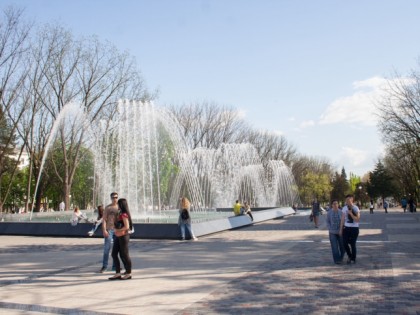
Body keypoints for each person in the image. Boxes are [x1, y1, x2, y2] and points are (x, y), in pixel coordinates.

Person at [109, 198, 133, 280]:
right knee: (114, 253)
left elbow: (127, 227)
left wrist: (117, 229)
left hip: (123, 236)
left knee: (125, 254)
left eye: (118, 204)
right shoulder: (120, 213)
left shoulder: (124, 214)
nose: (117, 205)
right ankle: (118, 273)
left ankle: (129, 273)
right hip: (119, 236)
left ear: (121, 205)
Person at [100, 192, 119, 273]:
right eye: (113, 197)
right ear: (111, 198)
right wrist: (104, 230)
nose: (115, 199)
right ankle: (104, 266)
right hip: (109, 230)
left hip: (117, 230)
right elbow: (104, 219)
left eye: (116, 197)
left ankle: (115, 266)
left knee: (116, 250)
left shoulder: (119, 207)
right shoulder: (108, 208)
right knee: (106, 249)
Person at [340, 194, 360, 264]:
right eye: (346, 200)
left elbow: (357, 220)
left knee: (352, 244)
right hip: (346, 228)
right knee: (344, 243)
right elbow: (342, 219)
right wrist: (341, 229)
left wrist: (351, 214)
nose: (347, 201)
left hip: (354, 228)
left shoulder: (356, 208)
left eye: (349, 200)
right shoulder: (344, 208)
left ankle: (353, 258)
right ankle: (349, 255)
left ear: (352, 200)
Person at [326, 200, 345, 264]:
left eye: (336, 203)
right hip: (332, 232)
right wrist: (330, 228)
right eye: (334, 204)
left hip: (340, 232)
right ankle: (337, 260)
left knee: (342, 246)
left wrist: (341, 229)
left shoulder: (341, 212)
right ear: (332, 205)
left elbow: (343, 221)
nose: (335, 205)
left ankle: (341, 257)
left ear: (338, 204)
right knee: (334, 247)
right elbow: (327, 221)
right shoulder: (329, 213)